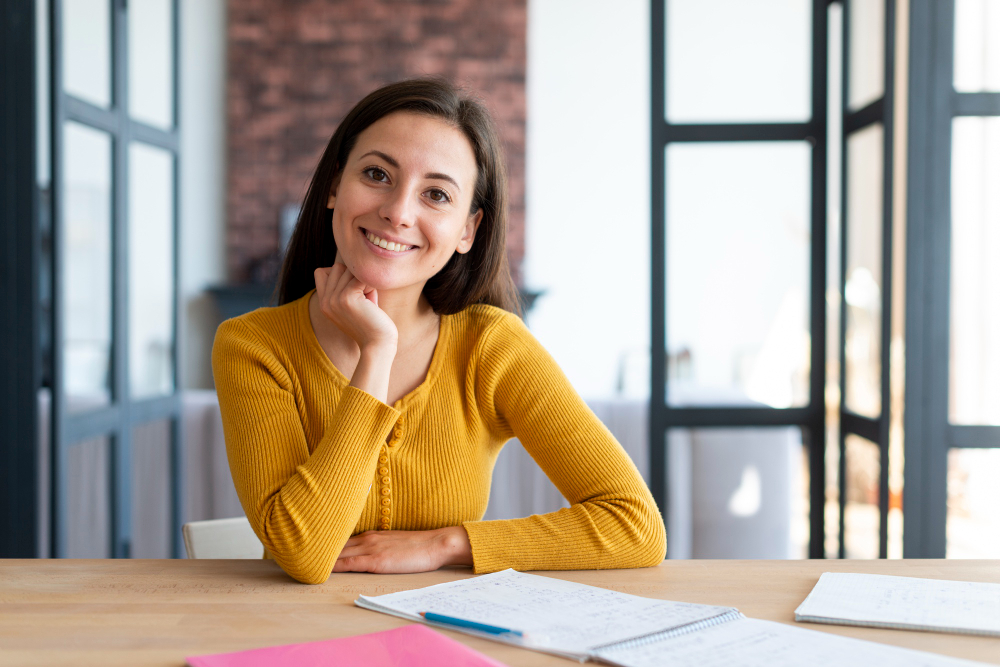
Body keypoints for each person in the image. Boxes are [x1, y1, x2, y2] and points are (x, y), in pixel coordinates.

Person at [212, 78, 665, 584]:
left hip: (446, 634)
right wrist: (376, 353)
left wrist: (447, 544)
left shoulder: (492, 346)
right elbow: (304, 553)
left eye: (436, 194)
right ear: (335, 186)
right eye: (378, 174)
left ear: (468, 230)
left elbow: (636, 524)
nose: (399, 212)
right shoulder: (253, 345)